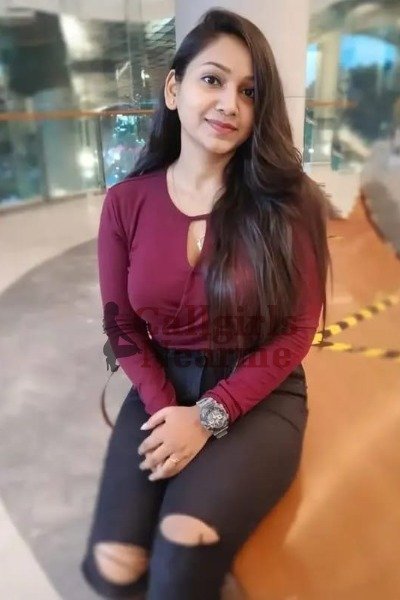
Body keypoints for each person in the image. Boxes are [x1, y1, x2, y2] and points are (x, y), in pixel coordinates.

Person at [80, 8, 331, 600]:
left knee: (181, 551)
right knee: (116, 566)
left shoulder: (289, 202)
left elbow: (297, 331)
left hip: (259, 393)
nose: (229, 104)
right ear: (174, 89)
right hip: (162, 383)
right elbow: (122, 325)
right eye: (212, 80)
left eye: (249, 92)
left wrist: (208, 417)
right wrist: (169, 410)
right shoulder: (126, 202)